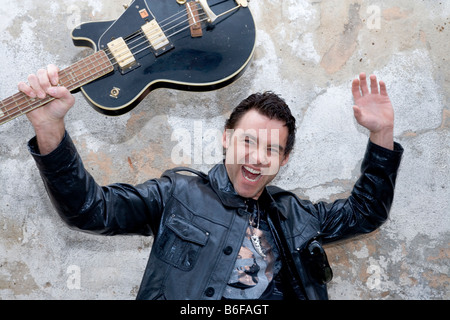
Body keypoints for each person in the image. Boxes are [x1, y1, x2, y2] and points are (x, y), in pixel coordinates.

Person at [19, 65, 403, 300]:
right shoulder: (177, 194)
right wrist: (51, 130)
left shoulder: (297, 215)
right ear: (226, 138)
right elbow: (91, 210)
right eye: (247, 141)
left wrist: (382, 133)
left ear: (284, 160)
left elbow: (366, 212)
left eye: (271, 149)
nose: (255, 157)